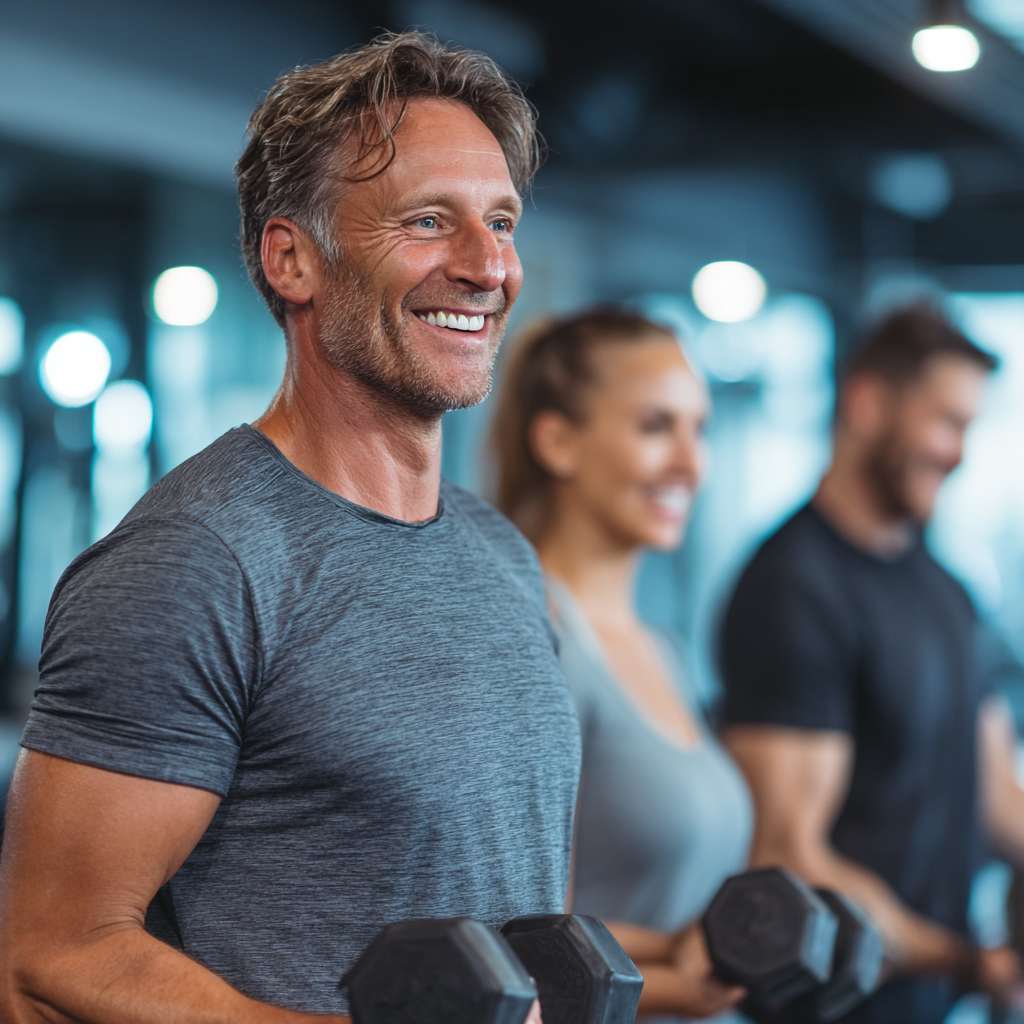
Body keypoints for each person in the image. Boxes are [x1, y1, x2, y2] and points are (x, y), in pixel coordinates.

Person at [0, 32, 581, 1023]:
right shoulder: (196, 563)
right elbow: (50, 964)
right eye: (431, 221)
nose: (489, 267)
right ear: (293, 259)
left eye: (501, 222)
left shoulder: (497, 554)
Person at [719, 305, 1024, 1023]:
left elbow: (994, 792)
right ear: (867, 404)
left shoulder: (945, 590)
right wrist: (965, 959)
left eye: (970, 427)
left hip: (934, 1001)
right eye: (946, 421)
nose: (959, 452)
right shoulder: (792, 588)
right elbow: (789, 852)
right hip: (836, 1008)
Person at [490, 308, 753, 1020]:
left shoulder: (661, 647)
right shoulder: (533, 638)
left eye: (698, 429)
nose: (691, 464)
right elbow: (518, 936)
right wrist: (680, 981)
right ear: (557, 440)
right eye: (654, 427)